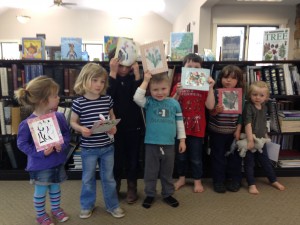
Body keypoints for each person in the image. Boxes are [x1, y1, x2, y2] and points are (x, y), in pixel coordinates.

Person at [70, 63, 125, 219]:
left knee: (109, 178)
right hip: (88, 149)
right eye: (95, 80)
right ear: (84, 79)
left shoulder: (107, 99)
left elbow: (112, 116)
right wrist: (81, 129)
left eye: (102, 81)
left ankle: (112, 205)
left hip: (107, 147)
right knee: (88, 179)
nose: (99, 85)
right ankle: (87, 205)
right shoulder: (79, 102)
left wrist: (113, 127)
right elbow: (73, 122)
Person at [15, 76, 70, 225]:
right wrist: (40, 153)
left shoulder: (59, 117)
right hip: (40, 165)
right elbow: (22, 144)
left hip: (57, 161)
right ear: (43, 100)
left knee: (55, 186)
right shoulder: (27, 124)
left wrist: (62, 145)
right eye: (55, 96)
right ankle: (40, 215)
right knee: (40, 191)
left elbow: (66, 135)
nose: (59, 98)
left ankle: (56, 209)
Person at [133, 71, 186, 209]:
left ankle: (168, 193)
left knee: (167, 172)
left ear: (169, 88)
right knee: (150, 172)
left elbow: (180, 122)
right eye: (155, 89)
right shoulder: (149, 102)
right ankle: (150, 194)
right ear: (150, 90)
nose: (160, 92)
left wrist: (182, 140)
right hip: (151, 144)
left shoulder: (174, 103)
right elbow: (137, 98)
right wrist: (145, 81)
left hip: (169, 144)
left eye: (163, 89)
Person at [171, 53, 215, 193]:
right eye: (189, 66)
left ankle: (197, 180)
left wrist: (211, 88)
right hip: (180, 128)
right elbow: (171, 104)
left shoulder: (203, 87)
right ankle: (182, 178)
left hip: (197, 128)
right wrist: (177, 92)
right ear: (183, 68)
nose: (193, 69)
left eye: (196, 67)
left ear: (201, 70)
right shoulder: (178, 85)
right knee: (180, 157)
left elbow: (210, 106)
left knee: (196, 157)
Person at [107, 48, 144, 204]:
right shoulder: (109, 79)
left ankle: (132, 187)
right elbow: (108, 96)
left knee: (133, 160)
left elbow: (138, 97)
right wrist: (112, 73)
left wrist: (137, 75)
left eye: (126, 65)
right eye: (119, 65)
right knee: (116, 159)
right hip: (115, 128)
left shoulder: (133, 80)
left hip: (134, 127)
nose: (123, 69)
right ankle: (115, 186)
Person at [242, 81, 285, 194]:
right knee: (249, 163)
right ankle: (251, 184)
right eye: (254, 94)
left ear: (266, 97)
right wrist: (250, 140)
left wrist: (265, 135)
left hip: (261, 140)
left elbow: (263, 122)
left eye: (261, 95)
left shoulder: (264, 107)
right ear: (249, 94)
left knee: (265, 161)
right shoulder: (248, 107)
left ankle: (273, 180)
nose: (257, 98)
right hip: (252, 139)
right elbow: (248, 124)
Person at [208, 65, 244, 193]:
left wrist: (238, 129)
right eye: (225, 77)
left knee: (235, 157)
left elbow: (241, 116)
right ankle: (218, 181)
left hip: (232, 132)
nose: (228, 80)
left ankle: (235, 180)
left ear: (238, 81)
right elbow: (210, 112)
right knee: (217, 157)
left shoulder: (240, 95)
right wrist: (215, 111)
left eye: (233, 78)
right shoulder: (216, 92)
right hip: (217, 131)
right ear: (220, 78)